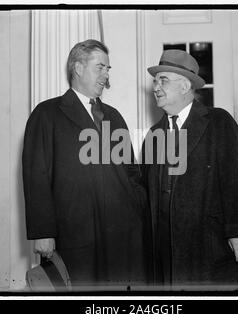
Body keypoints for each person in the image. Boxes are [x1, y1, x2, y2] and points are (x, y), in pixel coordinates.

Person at [22, 39, 150, 289]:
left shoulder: (114, 116)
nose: (106, 75)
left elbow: (131, 172)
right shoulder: (46, 114)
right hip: (75, 233)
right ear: (78, 68)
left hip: (121, 232)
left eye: (108, 69)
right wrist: (42, 231)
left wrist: (138, 213)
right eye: (100, 67)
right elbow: (36, 176)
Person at [141, 49, 238, 290]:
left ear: (185, 86)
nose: (155, 87)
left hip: (210, 244)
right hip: (165, 249)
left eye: (163, 80)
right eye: (155, 80)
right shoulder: (153, 135)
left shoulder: (219, 122)